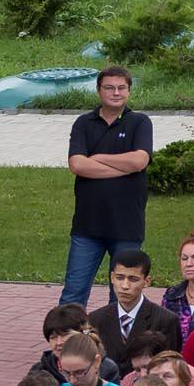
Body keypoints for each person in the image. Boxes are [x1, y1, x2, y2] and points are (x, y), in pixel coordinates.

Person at [60, 65, 153, 303]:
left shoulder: (140, 122)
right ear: (99, 90)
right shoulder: (83, 123)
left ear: (129, 91)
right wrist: (123, 167)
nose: (116, 92)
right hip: (87, 227)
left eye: (122, 88)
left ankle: (118, 340)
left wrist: (99, 158)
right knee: (74, 293)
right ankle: (68, 340)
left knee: (123, 296)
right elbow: (78, 165)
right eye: (109, 87)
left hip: (127, 227)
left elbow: (139, 160)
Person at [87, 248, 181, 362]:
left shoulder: (166, 320)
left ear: (146, 281)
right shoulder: (96, 319)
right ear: (112, 277)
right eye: (119, 278)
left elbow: (170, 366)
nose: (125, 286)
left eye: (133, 279)